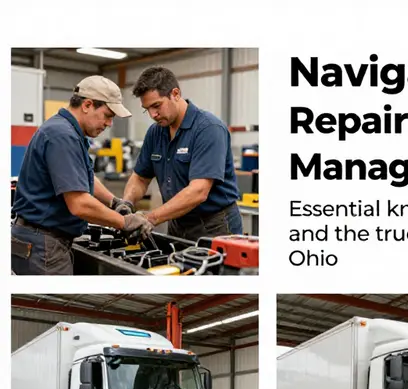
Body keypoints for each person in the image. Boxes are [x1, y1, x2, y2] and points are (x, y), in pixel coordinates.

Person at [11, 76, 154, 275]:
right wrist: (124, 222)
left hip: (41, 240)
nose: (109, 124)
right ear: (87, 105)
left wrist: (114, 202)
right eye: (107, 115)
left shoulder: (67, 131)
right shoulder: (62, 136)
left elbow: (82, 177)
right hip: (43, 246)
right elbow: (80, 203)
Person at [123, 66, 243, 241]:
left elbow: (198, 191)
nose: (153, 114)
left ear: (176, 94)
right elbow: (140, 178)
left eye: (156, 106)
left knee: (214, 269)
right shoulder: (155, 133)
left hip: (215, 226)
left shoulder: (208, 129)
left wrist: (150, 218)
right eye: (146, 109)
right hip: (177, 222)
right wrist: (126, 203)